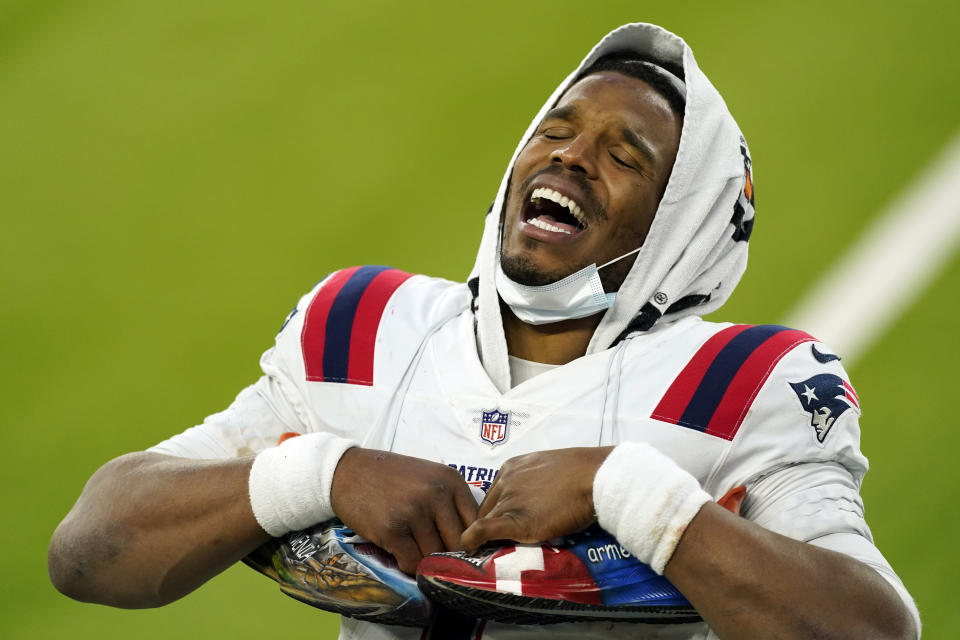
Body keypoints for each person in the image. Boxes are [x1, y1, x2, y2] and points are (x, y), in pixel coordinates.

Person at [48, 22, 920, 639]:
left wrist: (636, 498)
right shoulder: (364, 327)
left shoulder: (742, 382)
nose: (569, 157)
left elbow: (870, 628)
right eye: (555, 129)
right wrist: (320, 471)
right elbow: (90, 553)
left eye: (626, 157)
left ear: (681, 230)